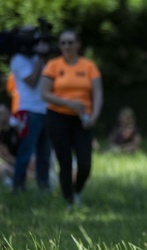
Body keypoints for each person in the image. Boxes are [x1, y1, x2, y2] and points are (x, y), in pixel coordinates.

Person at [41, 30, 103, 207]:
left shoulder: (88, 66)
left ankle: (77, 190)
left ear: (78, 44)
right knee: (65, 160)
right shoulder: (53, 65)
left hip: (82, 119)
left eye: (70, 42)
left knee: (85, 163)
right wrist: (68, 103)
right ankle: (69, 200)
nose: (66, 46)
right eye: (63, 43)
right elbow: (44, 93)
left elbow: (98, 94)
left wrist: (94, 116)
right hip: (57, 117)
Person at [10, 37, 51, 192]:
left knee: (44, 154)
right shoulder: (18, 60)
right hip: (29, 111)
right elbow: (32, 81)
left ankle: (44, 186)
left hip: (45, 110)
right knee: (26, 152)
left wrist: (43, 57)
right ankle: (18, 187)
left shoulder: (36, 57)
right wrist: (40, 59)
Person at [0, 104, 19, 187]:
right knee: (3, 169)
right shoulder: (1, 135)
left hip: (28, 162)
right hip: (13, 164)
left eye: (2, 113)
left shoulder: (18, 129)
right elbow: (5, 155)